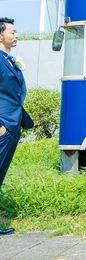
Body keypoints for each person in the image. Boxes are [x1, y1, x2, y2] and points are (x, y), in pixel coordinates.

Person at [0, 17, 33, 235]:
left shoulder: (8, 60)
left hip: (12, 125)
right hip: (3, 126)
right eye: (12, 32)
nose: (16, 35)